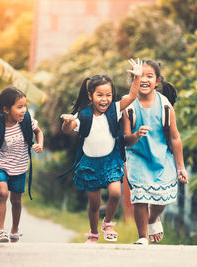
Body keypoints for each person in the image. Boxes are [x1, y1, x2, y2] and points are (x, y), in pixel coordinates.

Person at [60, 58, 142, 243]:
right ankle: (94, 232)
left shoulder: (114, 108)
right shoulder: (84, 115)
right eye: (99, 95)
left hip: (111, 159)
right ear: (90, 96)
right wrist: (66, 122)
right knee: (94, 203)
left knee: (115, 193)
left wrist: (136, 78)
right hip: (90, 163)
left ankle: (108, 222)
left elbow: (131, 97)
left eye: (108, 95)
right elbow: (69, 128)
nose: (104, 99)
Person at [122, 59, 188, 245]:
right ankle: (142, 236)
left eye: (149, 76)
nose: (144, 79)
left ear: (157, 81)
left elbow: (175, 137)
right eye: (139, 76)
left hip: (161, 157)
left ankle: (153, 218)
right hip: (138, 157)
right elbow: (125, 139)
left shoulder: (165, 105)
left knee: (161, 198)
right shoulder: (129, 106)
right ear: (133, 80)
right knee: (140, 197)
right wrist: (136, 135)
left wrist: (180, 167)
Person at [0, 87, 44, 243]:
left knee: (16, 201)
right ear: (6, 110)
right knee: (3, 192)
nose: (24, 111)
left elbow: (39, 132)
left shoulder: (27, 122)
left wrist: (40, 144)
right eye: (19, 107)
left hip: (20, 167)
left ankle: (14, 230)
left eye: (25, 106)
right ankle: (0, 231)